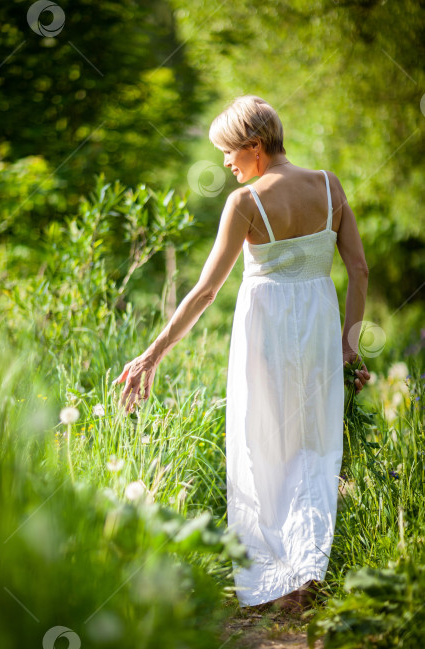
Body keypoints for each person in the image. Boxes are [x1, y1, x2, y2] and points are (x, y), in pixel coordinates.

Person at [113, 94, 370, 610]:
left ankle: (280, 578)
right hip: (320, 330)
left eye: (229, 152)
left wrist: (151, 355)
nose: (226, 164)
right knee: (315, 448)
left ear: (254, 145)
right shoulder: (328, 185)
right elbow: (358, 270)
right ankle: (308, 570)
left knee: (263, 448)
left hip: (266, 334)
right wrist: (349, 346)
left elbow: (206, 291)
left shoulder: (246, 203)